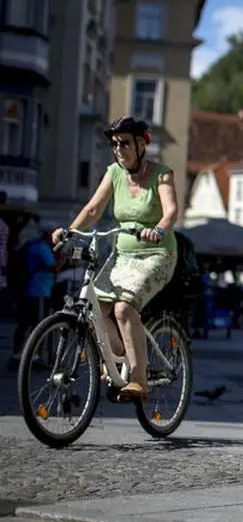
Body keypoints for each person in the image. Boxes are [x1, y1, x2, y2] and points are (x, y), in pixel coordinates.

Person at [52, 116, 179, 402]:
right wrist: (70, 231)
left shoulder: (162, 173)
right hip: (122, 255)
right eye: (114, 144)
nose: (118, 149)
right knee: (97, 306)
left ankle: (139, 380)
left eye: (124, 143)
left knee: (123, 309)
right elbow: (94, 208)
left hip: (157, 254)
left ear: (140, 145)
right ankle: (121, 357)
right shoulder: (114, 173)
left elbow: (171, 210)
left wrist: (158, 229)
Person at [8, 228, 60, 369]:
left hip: (29, 290)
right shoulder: (42, 247)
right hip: (40, 291)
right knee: (39, 325)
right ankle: (34, 357)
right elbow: (52, 266)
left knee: (24, 323)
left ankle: (17, 355)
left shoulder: (32, 245)